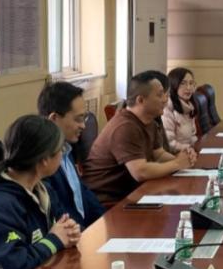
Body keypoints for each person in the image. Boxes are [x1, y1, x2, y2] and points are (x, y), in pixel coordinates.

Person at [0, 115, 82, 269]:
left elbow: (61, 225)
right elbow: (8, 268)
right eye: (60, 150)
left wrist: (69, 231)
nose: (62, 154)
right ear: (44, 160)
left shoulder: (43, 189)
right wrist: (54, 240)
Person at [83, 70, 198, 203]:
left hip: (133, 192)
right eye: (160, 95)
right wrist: (176, 164)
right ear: (141, 100)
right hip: (108, 202)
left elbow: (159, 155)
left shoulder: (149, 121)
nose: (165, 99)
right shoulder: (125, 126)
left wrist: (184, 160)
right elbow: (140, 172)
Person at [37, 81, 105, 229]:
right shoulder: (42, 162)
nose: (83, 126)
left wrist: (106, 221)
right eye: (78, 119)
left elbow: (83, 193)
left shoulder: (67, 149)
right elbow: (59, 213)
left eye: (84, 118)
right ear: (54, 119)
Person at [162, 67, 199, 150]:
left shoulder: (189, 106)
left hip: (189, 152)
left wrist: (197, 147)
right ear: (173, 85)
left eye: (191, 83)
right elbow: (169, 143)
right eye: (183, 83)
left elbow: (192, 136)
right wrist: (188, 149)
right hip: (175, 154)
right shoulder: (167, 107)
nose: (188, 88)